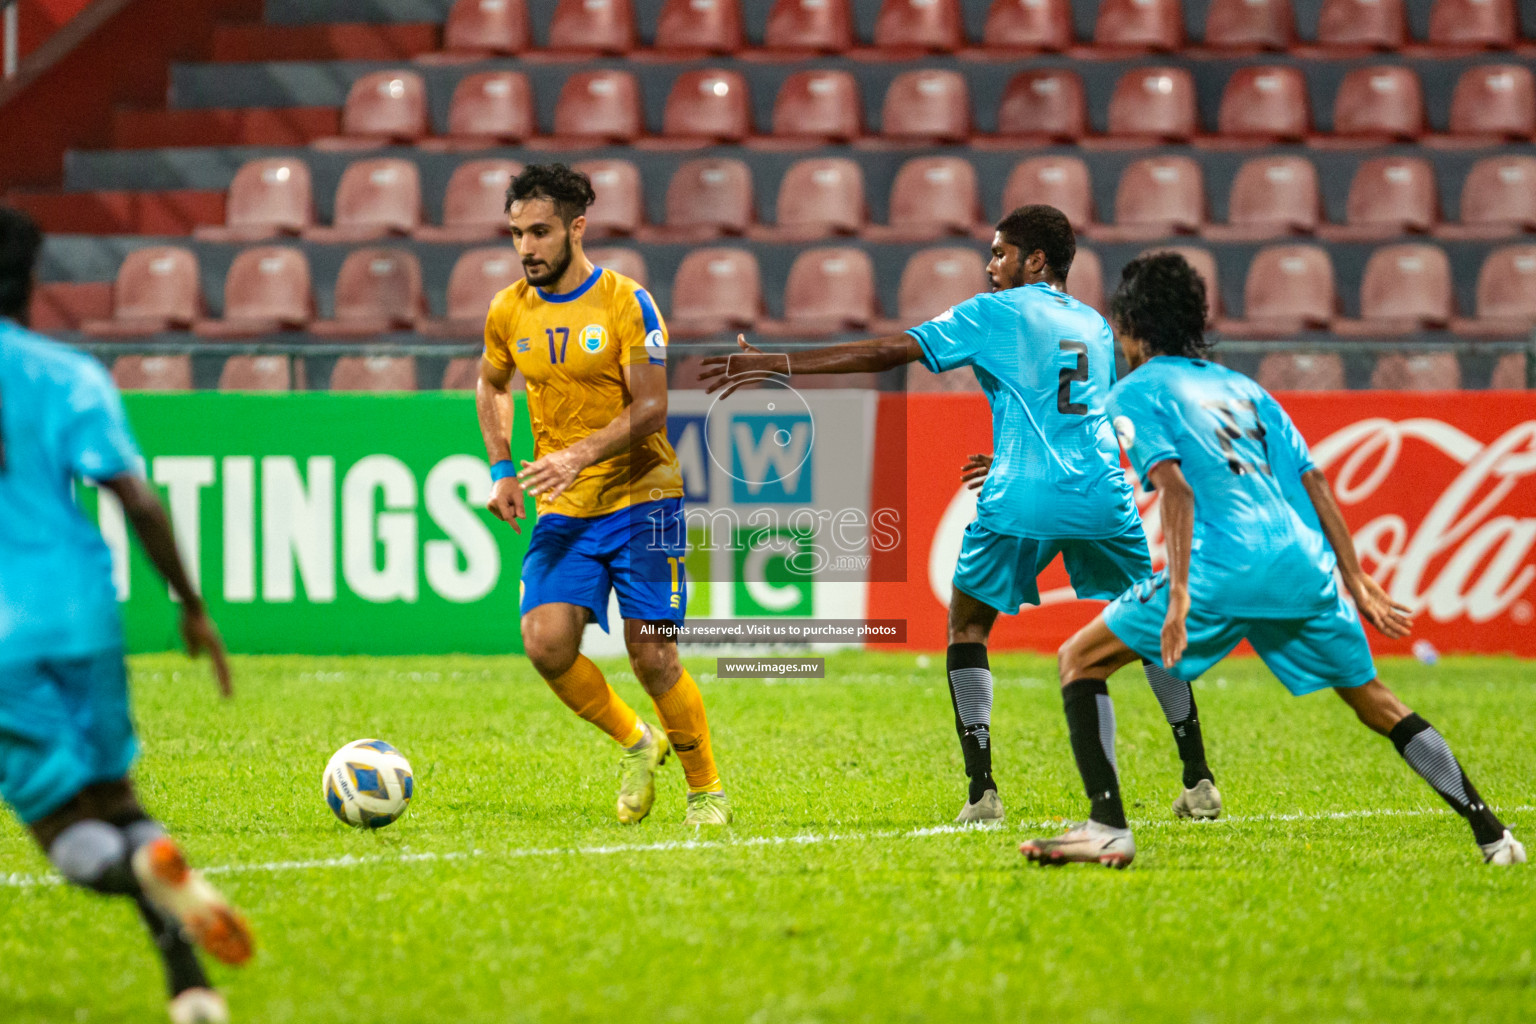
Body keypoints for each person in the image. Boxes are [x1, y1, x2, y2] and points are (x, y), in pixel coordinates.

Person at [701, 206, 1219, 824]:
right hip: (1105, 496)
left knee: (968, 626)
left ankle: (983, 794)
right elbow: (1076, 416)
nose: (989, 264)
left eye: (1000, 253)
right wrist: (1005, 455)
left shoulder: (993, 312)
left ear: (1036, 261)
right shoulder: (1097, 325)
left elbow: (889, 350)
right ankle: (1199, 780)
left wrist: (780, 364)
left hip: (1022, 498)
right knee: (1151, 621)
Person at [1021, 252, 1526, 869]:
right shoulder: (1246, 389)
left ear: (1129, 326)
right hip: (1303, 566)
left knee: (1079, 659)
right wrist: (1356, 576)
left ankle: (1106, 827)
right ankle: (1493, 834)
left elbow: (1174, 490)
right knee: (1374, 700)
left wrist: (1178, 595)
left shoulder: (1137, 391)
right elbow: (1315, 484)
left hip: (1224, 567)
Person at [0, 207, 251, 1024]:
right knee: (118, 802)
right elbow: (134, 496)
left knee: (72, 838)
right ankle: (190, 988)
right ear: (31, 285)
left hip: (4, 637)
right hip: (83, 616)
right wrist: (192, 607)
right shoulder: (69, 376)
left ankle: (138, 871)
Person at [476, 164, 729, 826]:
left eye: (539, 232)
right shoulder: (507, 311)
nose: (526, 247)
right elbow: (492, 384)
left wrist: (577, 455)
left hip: (645, 496)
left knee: (652, 653)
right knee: (546, 642)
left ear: (576, 228)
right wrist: (502, 465)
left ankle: (706, 790)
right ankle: (637, 743)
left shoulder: (627, 302)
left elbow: (651, 407)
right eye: (515, 234)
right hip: (567, 506)